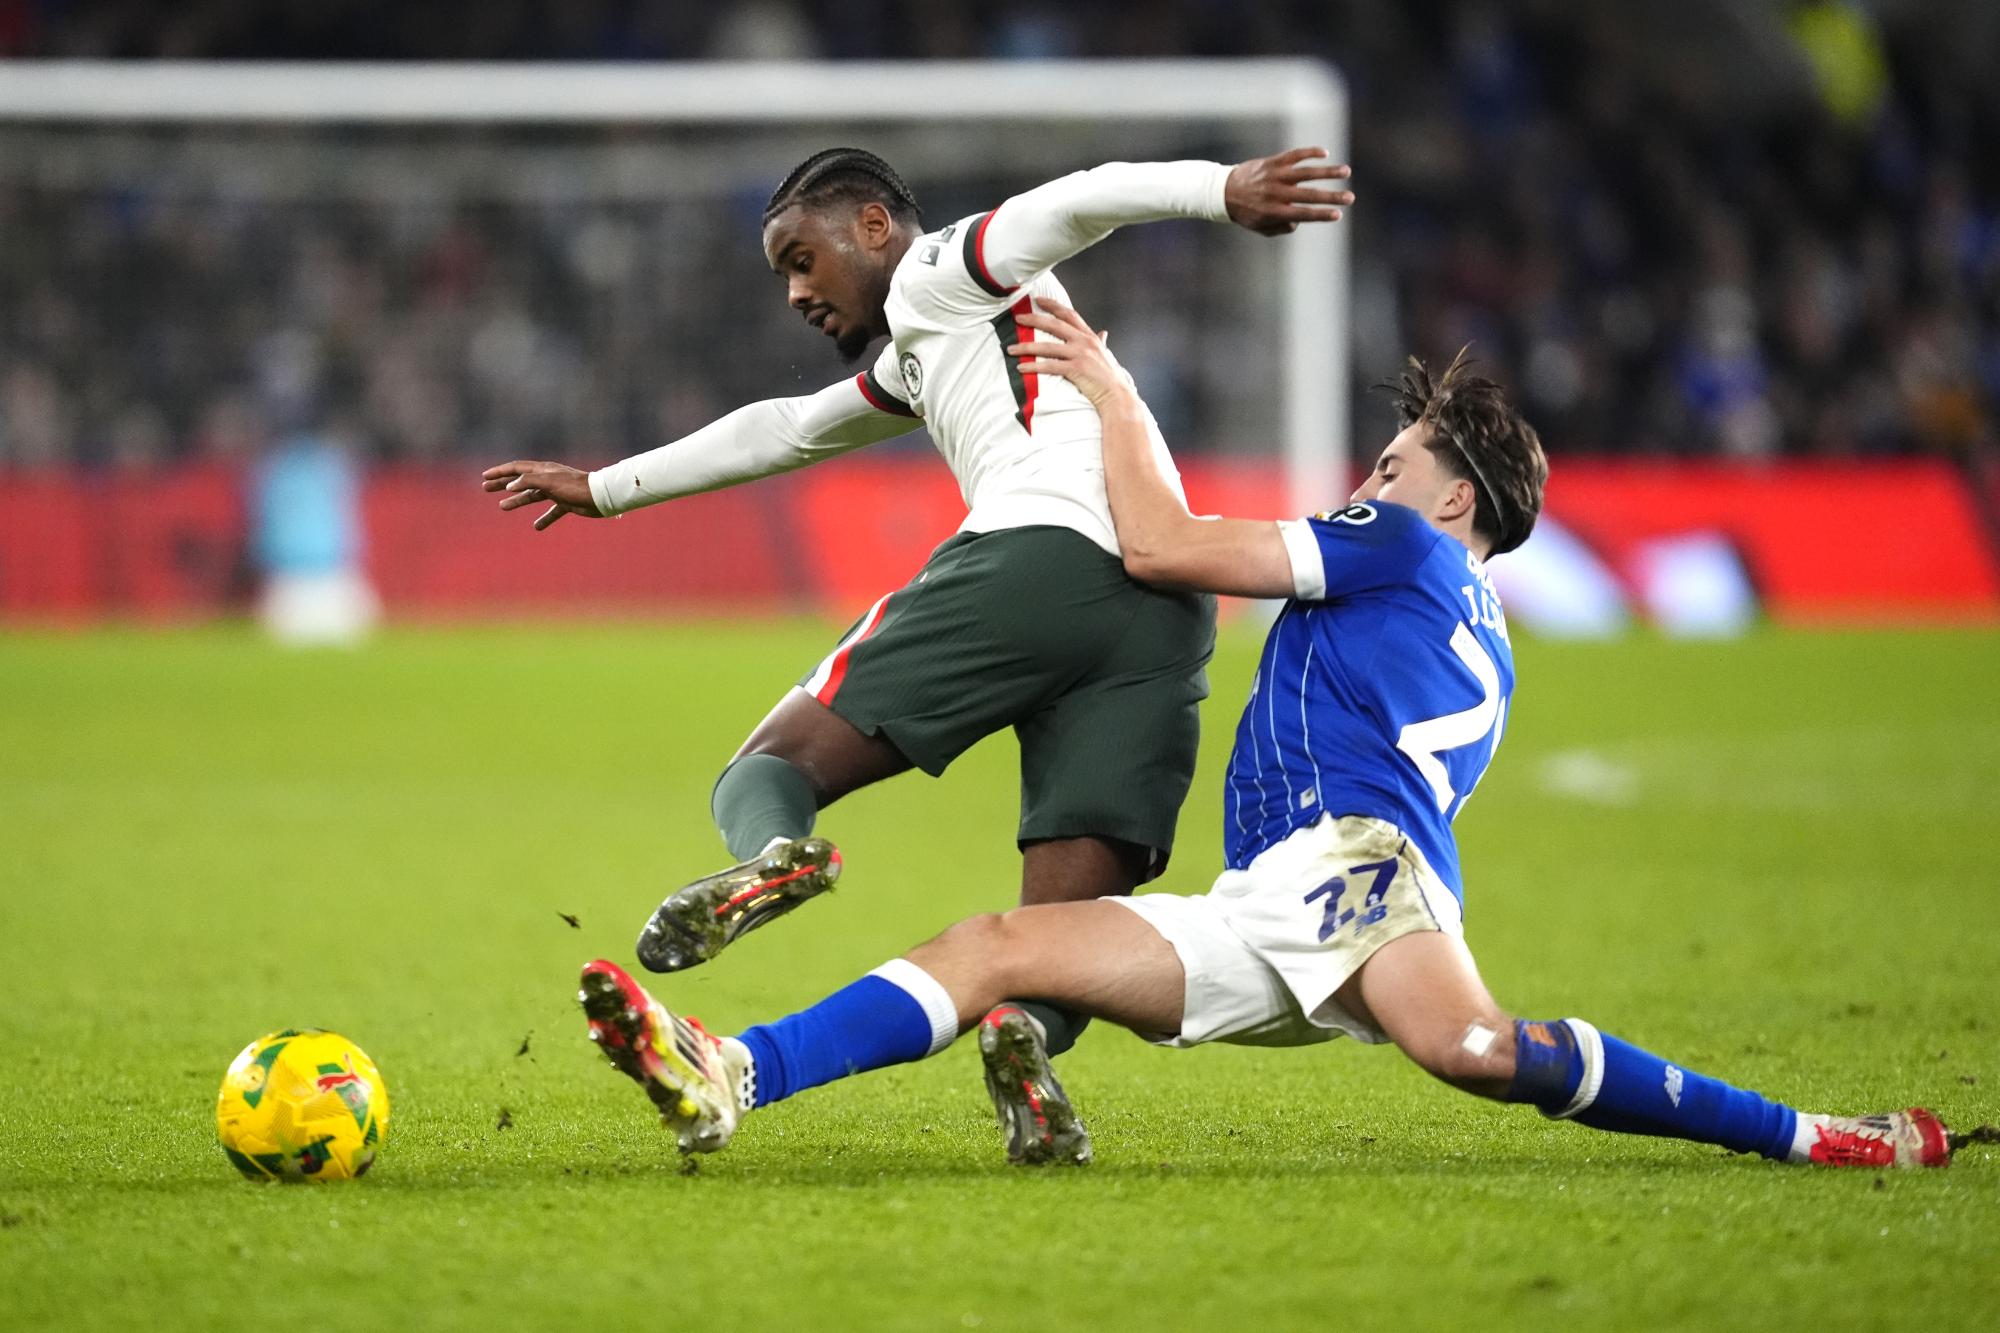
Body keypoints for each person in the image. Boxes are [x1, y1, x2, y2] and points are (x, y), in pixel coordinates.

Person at [571, 299, 1956, 1170]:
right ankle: (733, 1072)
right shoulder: (1482, 623)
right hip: (1277, 894)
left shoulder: (1399, 544)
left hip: (1355, 875)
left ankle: (1809, 1133)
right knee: (996, 947)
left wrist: (1112, 397)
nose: (1373, 474)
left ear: (1453, 497)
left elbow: (1168, 545)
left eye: (1400, 458)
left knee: (1472, 1052)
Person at [483, 146, 1352, 1160]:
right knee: (1065, 931)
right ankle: (1021, 1038)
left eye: (801, 260)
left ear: (870, 228)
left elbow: (1072, 198)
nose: (797, 292)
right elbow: (790, 427)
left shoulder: (950, 267)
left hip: (1037, 563)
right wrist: (609, 485)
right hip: (1163, 615)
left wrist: (1222, 191)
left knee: (769, 767)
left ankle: (774, 856)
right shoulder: (925, 345)